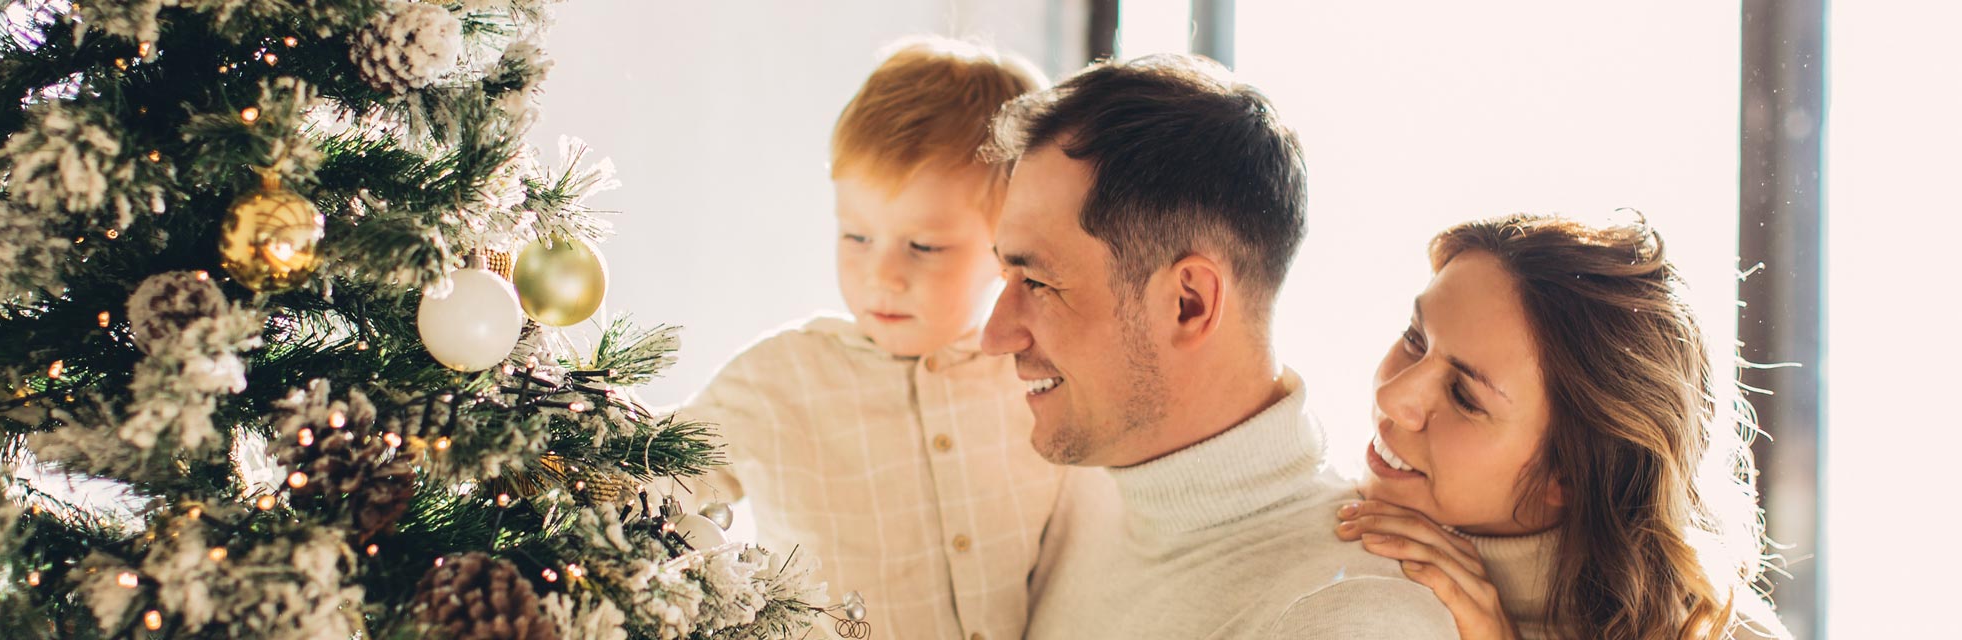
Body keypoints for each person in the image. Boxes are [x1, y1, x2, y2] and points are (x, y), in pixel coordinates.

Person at [983, 54, 1457, 639]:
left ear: (1190, 304)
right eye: (1003, 275)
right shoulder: (1074, 492)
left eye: (1038, 282)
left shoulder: (1352, 618)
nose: (993, 335)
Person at [668, 37, 1060, 640]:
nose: (883, 276)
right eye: (855, 236)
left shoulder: (1038, 380)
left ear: (1006, 243)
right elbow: (642, 478)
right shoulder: (778, 381)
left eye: (924, 246)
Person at [1336, 213, 1791, 639]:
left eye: (1464, 397)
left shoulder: (1722, 630)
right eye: (1415, 340)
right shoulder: (1331, 537)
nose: (1390, 397)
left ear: (1570, 472)